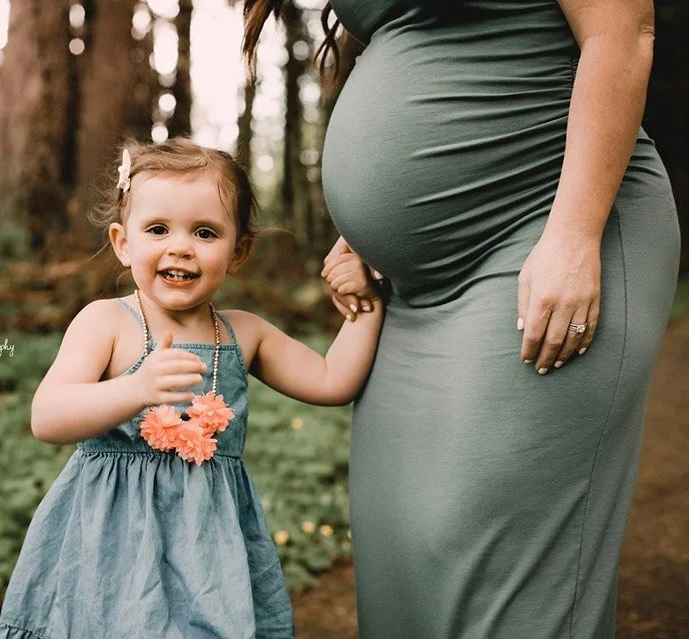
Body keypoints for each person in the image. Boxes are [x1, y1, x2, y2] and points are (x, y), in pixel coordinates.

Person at [243, 0, 681, 636]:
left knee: (501, 578)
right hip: (414, 287)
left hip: (538, 230)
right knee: (405, 549)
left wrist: (576, 234)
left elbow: (623, 33)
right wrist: (374, 228)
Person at [0, 138, 384, 638]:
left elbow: (333, 380)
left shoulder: (246, 333)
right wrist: (136, 388)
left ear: (238, 251)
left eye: (204, 232)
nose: (180, 246)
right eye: (157, 229)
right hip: (111, 543)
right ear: (122, 242)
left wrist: (365, 302)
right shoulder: (106, 322)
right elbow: (48, 416)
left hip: (208, 546)